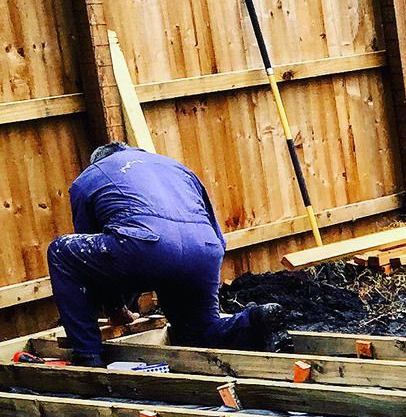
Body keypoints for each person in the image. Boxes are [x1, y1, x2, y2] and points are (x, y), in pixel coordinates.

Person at [47, 143, 283, 366]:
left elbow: (93, 260)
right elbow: (216, 234)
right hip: (204, 250)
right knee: (198, 333)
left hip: (147, 248)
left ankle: (87, 356)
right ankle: (254, 320)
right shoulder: (176, 168)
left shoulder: (89, 177)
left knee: (60, 251)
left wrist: (115, 309)